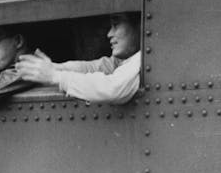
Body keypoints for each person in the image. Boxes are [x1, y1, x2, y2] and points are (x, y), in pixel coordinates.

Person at [14, 12, 142, 105]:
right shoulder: (128, 58)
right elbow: (96, 67)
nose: (109, 34)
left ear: (140, 26)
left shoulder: (142, 58)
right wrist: (56, 68)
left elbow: (113, 88)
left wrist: (55, 77)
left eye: (115, 25)